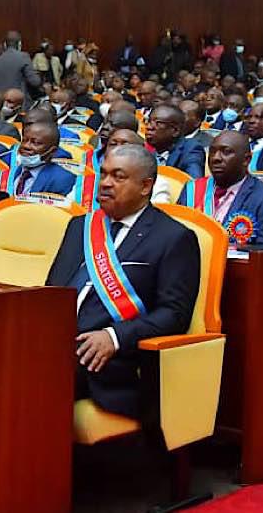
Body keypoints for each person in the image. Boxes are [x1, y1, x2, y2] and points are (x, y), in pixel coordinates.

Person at [46, 145, 200, 419]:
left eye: (118, 177)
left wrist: (115, 337)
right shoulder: (80, 226)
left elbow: (174, 314)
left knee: (35, 374)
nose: (105, 183)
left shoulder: (174, 237)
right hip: (56, 339)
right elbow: (53, 289)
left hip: (111, 357)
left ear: (145, 186)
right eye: (103, 174)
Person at [180, 131, 263, 248]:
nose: (216, 158)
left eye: (226, 152)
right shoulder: (192, 188)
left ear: (246, 160)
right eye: (212, 152)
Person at [7, 121, 75, 197]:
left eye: (35, 143)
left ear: (52, 151)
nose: (26, 146)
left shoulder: (62, 178)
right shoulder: (12, 171)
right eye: (24, 140)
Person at [145, 104, 205, 178]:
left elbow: (195, 183)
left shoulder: (191, 149)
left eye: (158, 123)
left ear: (175, 131)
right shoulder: (148, 154)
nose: (149, 127)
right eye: (149, 121)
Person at [0, 31, 41, 100]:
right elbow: (35, 82)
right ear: (19, 44)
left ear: (5, 45)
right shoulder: (23, 56)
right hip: (19, 104)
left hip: (0, 104)